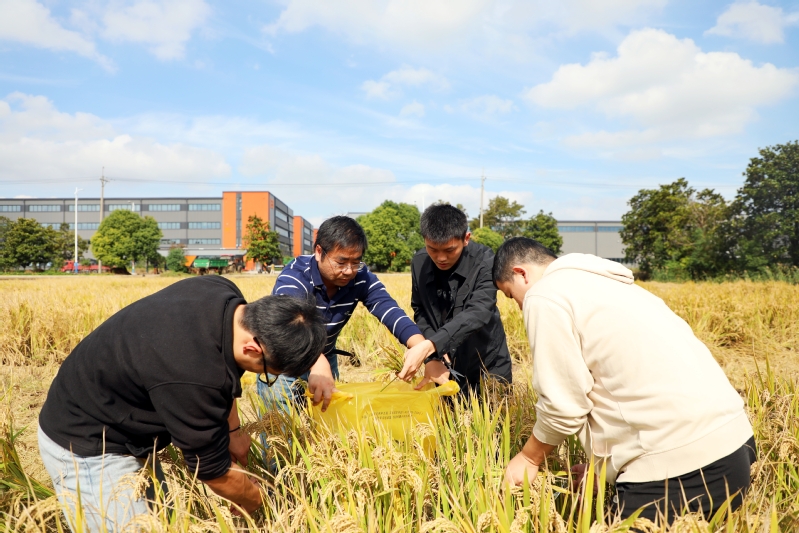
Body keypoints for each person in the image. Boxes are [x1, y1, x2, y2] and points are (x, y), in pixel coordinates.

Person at [493, 237, 756, 524]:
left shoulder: (544, 294)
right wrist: (602, 469)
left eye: (511, 296)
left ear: (521, 273)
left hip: (678, 464)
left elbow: (563, 405)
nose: (519, 306)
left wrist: (529, 458)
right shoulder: (617, 285)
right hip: (735, 444)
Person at [38, 276, 326, 532]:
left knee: (159, 518)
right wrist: (255, 500)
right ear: (252, 348)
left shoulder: (222, 294)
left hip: (117, 409)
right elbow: (211, 470)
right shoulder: (194, 375)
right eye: (268, 373)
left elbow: (226, 368)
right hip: (87, 441)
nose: (266, 376)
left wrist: (233, 431)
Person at [259, 216, 427, 412]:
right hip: (283, 363)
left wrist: (421, 347)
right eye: (341, 262)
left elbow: (388, 308)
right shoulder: (295, 277)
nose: (349, 271)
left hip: (324, 357)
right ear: (319, 251)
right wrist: (317, 362)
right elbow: (288, 326)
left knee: (327, 422)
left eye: (356, 262)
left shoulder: (360, 278)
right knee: (283, 426)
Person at [397, 204, 513, 392]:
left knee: (494, 409)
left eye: (449, 250)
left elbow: (478, 312)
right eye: (432, 249)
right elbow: (420, 311)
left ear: (466, 238)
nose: (441, 257)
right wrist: (434, 356)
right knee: (445, 410)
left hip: (486, 360)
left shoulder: (485, 261)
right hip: (443, 364)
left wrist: (432, 345)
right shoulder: (419, 262)